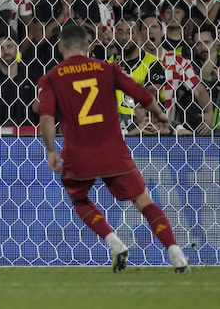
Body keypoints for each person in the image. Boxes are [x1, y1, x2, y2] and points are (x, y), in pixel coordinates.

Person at [38, 24, 190, 273]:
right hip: (113, 151)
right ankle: (176, 253)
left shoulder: (52, 78)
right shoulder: (107, 69)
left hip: (78, 154)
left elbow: (45, 117)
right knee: (143, 200)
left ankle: (115, 243)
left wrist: (51, 150)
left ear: (60, 47)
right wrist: (160, 115)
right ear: (88, 46)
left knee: (79, 199)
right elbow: (142, 94)